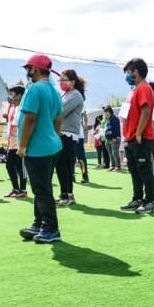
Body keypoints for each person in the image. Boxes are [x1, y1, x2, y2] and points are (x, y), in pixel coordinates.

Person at [17, 54, 64, 243]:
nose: (27, 71)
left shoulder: (34, 89)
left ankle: (51, 228)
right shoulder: (53, 90)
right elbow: (58, 118)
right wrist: (53, 136)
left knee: (41, 188)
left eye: (28, 68)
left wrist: (23, 145)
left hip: (37, 148)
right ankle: (39, 223)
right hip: (52, 145)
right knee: (40, 187)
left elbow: (30, 118)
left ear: (35, 69)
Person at [120, 58, 154, 214]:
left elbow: (146, 111)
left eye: (129, 71)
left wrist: (139, 133)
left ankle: (150, 201)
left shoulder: (143, 88)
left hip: (140, 137)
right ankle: (137, 198)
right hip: (130, 137)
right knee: (134, 169)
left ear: (136, 71)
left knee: (144, 169)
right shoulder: (134, 90)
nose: (127, 74)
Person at [56, 69, 86, 207]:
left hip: (68, 135)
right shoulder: (66, 94)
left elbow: (60, 111)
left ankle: (67, 194)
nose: (61, 83)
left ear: (72, 82)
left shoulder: (75, 95)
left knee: (64, 166)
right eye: (60, 80)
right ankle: (65, 194)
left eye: (64, 80)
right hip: (63, 133)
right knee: (62, 165)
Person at [4, 86, 28, 198]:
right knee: (9, 165)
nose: (11, 97)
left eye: (12, 94)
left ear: (19, 95)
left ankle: (23, 190)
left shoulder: (24, 107)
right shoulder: (12, 107)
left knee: (20, 166)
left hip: (20, 141)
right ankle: (15, 188)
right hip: (11, 141)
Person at [102, 106, 122, 171]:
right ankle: (112, 166)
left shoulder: (114, 119)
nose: (104, 114)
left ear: (108, 112)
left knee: (115, 153)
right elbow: (107, 128)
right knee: (110, 153)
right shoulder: (108, 119)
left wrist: (115, 137)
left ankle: (118, 166)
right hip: (108, 139)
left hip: (114, 138)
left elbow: (116, 129)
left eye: (105, 112)